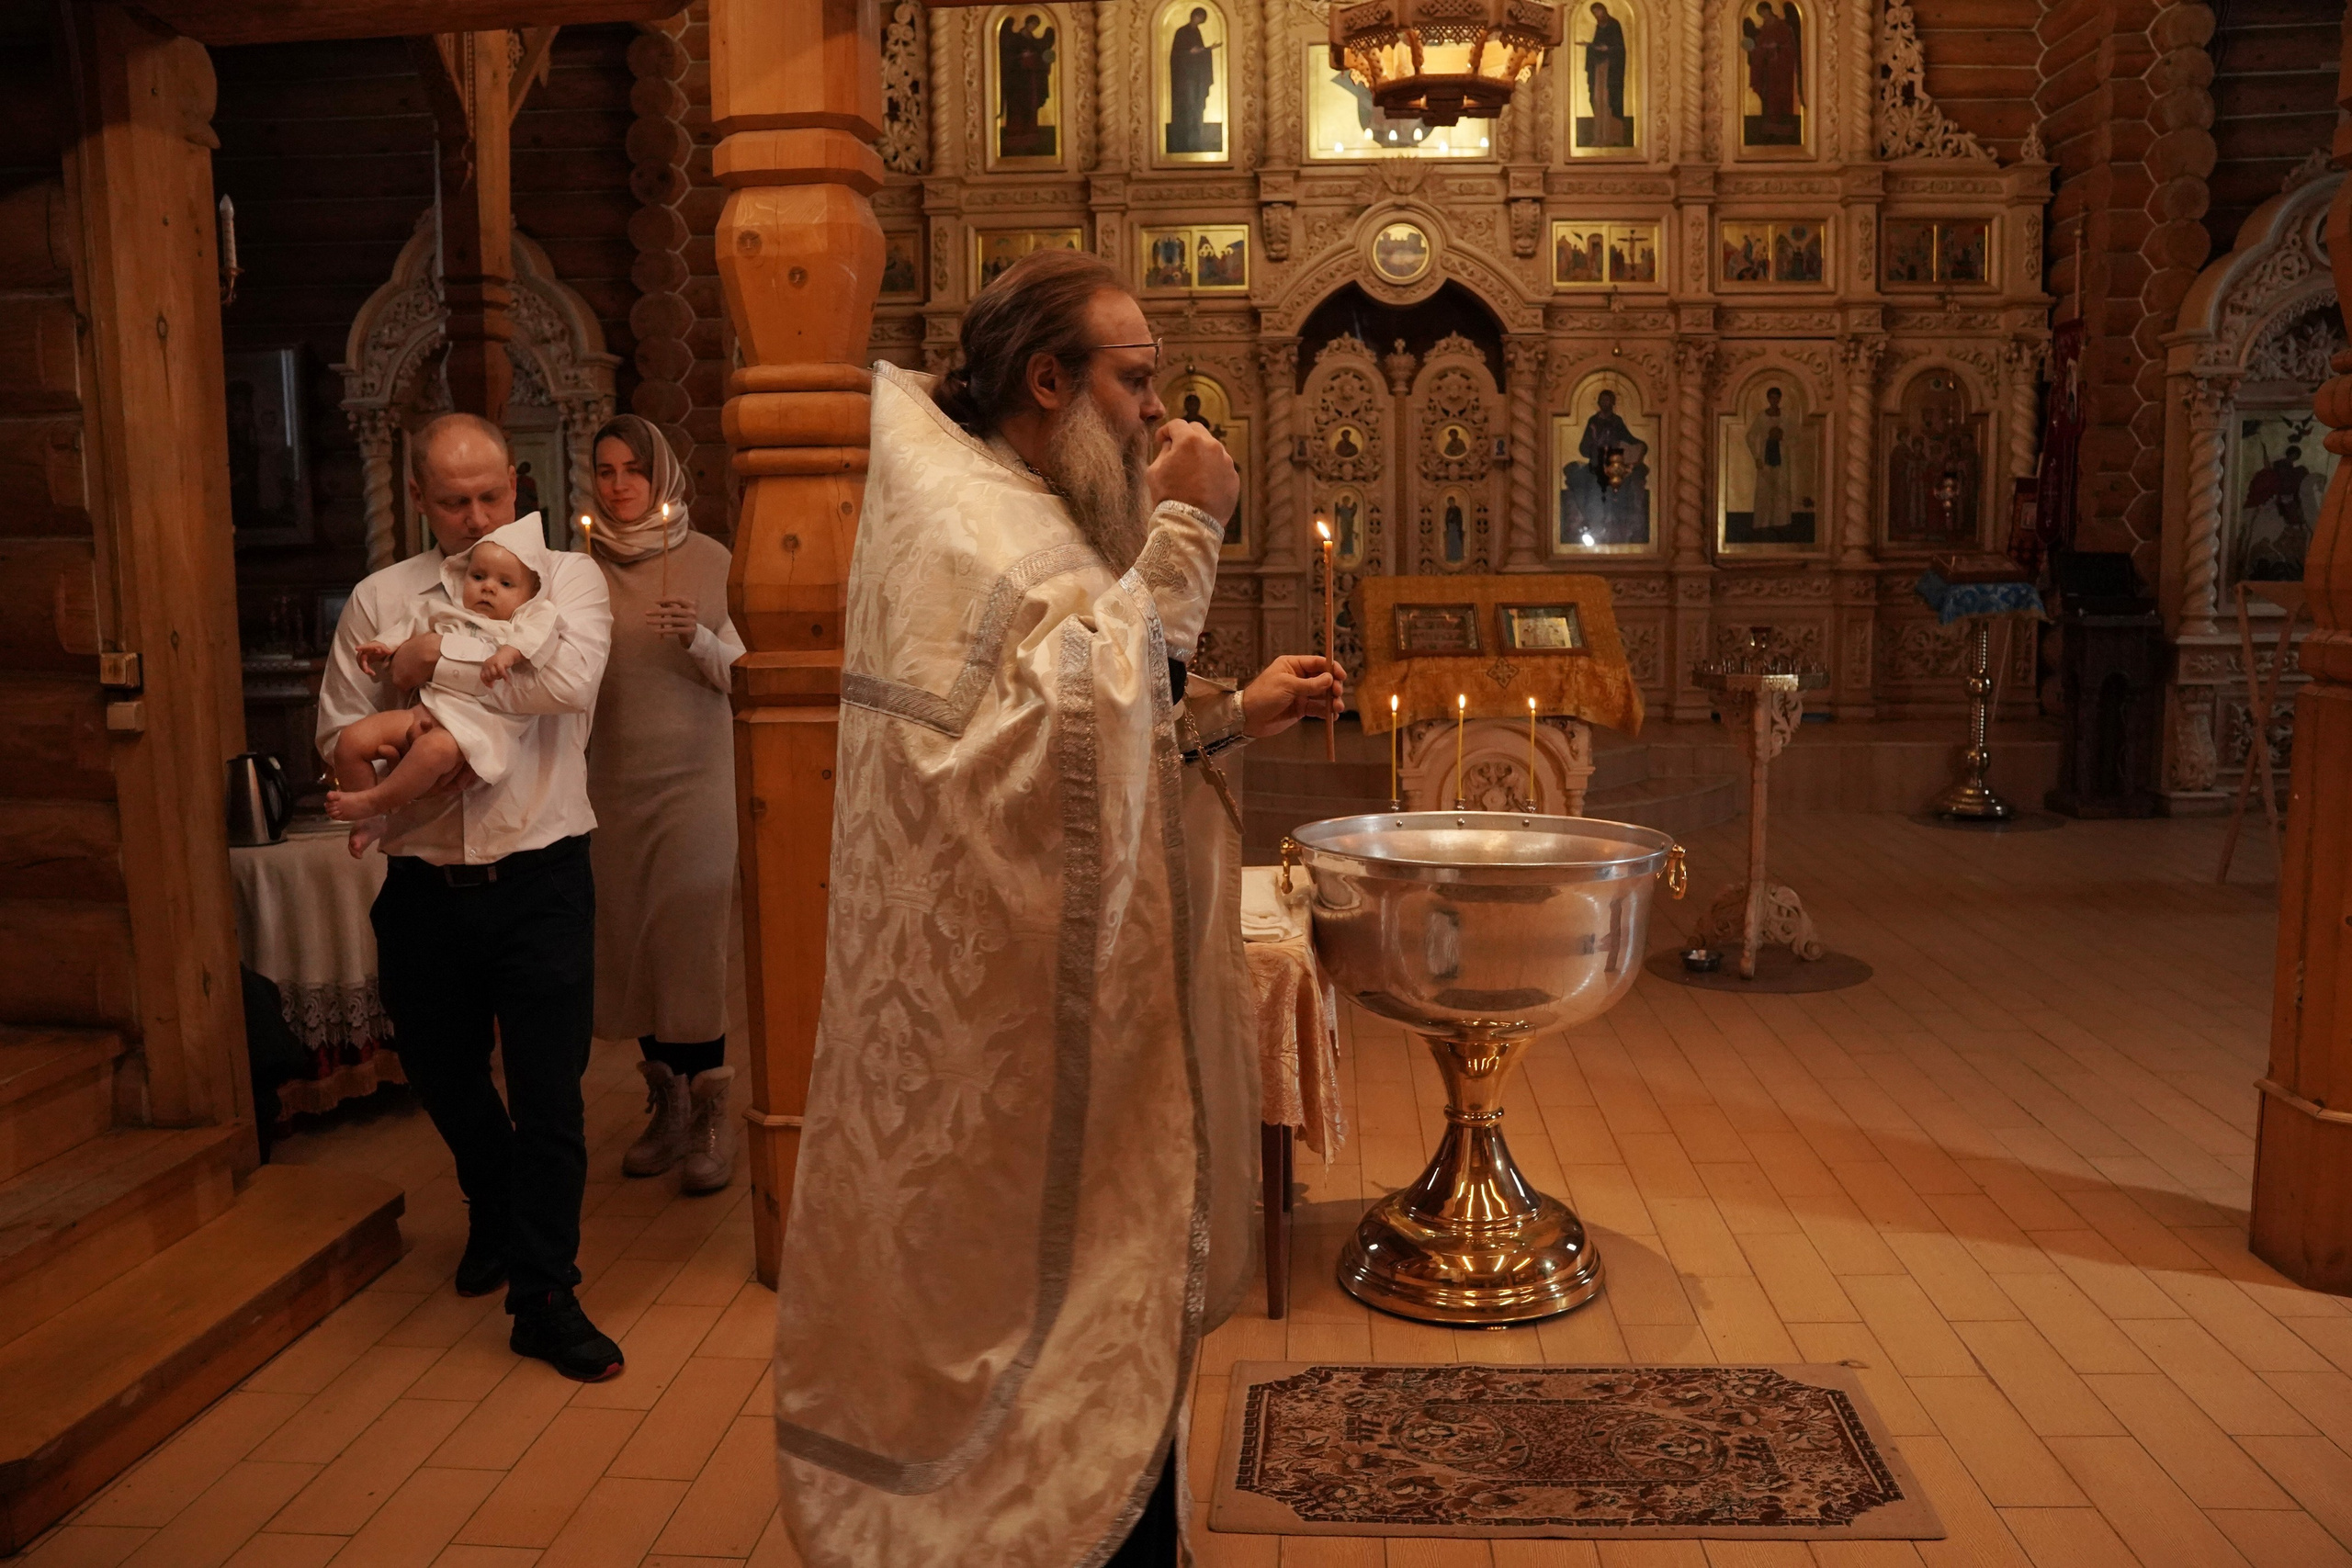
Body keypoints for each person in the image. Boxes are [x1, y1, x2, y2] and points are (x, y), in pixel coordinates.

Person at [773, 249, 1346, 1568]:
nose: (1157, 414)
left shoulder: (1015, 504)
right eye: (1136, 380)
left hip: (1047, 1013)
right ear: (1047, 380)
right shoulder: (971, 523)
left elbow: (1081, 741)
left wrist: (1231, 716)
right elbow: (1056, 749)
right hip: (1006, 1046)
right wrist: (1189, 527)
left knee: (1101, 1323)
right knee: (1044, 1323)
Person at [316, 412, 621, 1382]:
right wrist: (404, 737)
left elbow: (565, 684)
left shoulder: (566, 578)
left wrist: (430, 665)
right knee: (442, 1075)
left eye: (492, 494)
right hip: (424, 886)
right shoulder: (380, 598)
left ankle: (546, 1297)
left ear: (515, 482)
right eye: (454, 501)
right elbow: (339, 729)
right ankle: (494, 1199)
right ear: (418, 498)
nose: (478, 516)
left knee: (549, 1096)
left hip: (541, 877)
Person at [581, 415, 748, 1194]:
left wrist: (699, 640)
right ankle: (668, 1103)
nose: (620, 485)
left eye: (635, 469)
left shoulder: (711, 560)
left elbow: (743, 673)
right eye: (607, 470)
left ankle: (711, 1106)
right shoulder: (577, 567)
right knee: (633, 938)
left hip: (695, 777)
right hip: (610, 782)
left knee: (689, 935)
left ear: (664, 475)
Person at [326, 523, 560, 854]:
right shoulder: (445, 610)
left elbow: (537, 638)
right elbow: (409, 625)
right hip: (424, 711)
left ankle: (374, 801)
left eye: (505, 583)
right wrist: (383, 645)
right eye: (478, 577)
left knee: (433, 751)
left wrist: (507, 654)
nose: (488, 588)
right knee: (352, 740)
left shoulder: (522, 622)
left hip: (470, 730)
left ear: (529, 595)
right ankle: (370, 820)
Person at [1166, 6, 1216, 153]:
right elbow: (1176, 55)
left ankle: (1196, 139)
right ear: (1194, 16)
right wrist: (1189, 52)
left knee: (1196, 106)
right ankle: (1184, 140)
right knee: (1187, 106)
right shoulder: (1181, 32)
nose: (1199, 21)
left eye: (1202, 20)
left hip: (1196, 77)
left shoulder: (1196, 32)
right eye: (1199, 18)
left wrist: (1208, 49)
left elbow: (1199, 52)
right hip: (1185, 78)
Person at [1747, 387, 1793, 536]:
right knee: (1764, 490)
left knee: (1781, 489)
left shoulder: (1786, 416)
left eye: (1777, 397)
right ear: (1768, 399)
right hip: (1765, 457)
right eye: (1772, 397)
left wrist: (1782, 437)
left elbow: (1795, 436)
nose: (1774, 400)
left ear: (1780, 399)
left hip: (1781, 457)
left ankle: (1780, 522)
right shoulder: (1762, 417)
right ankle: (1762, 523)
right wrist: (1757, 457)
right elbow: (1750, 436)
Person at [1583, 2, 1628, 146]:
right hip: (1599, 69)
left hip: (1612, 71)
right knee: (1598, 100)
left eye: (1599, 11)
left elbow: (1620, 48)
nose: (1597, 15)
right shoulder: (1599, 28)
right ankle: (1599, 137)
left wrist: (1607, 48)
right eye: (1594, 13)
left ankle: (1613, 137)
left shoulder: (1614, 25)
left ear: (1604, 10)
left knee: (1610, 101)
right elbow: (1597, 46)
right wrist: (1590, 47)